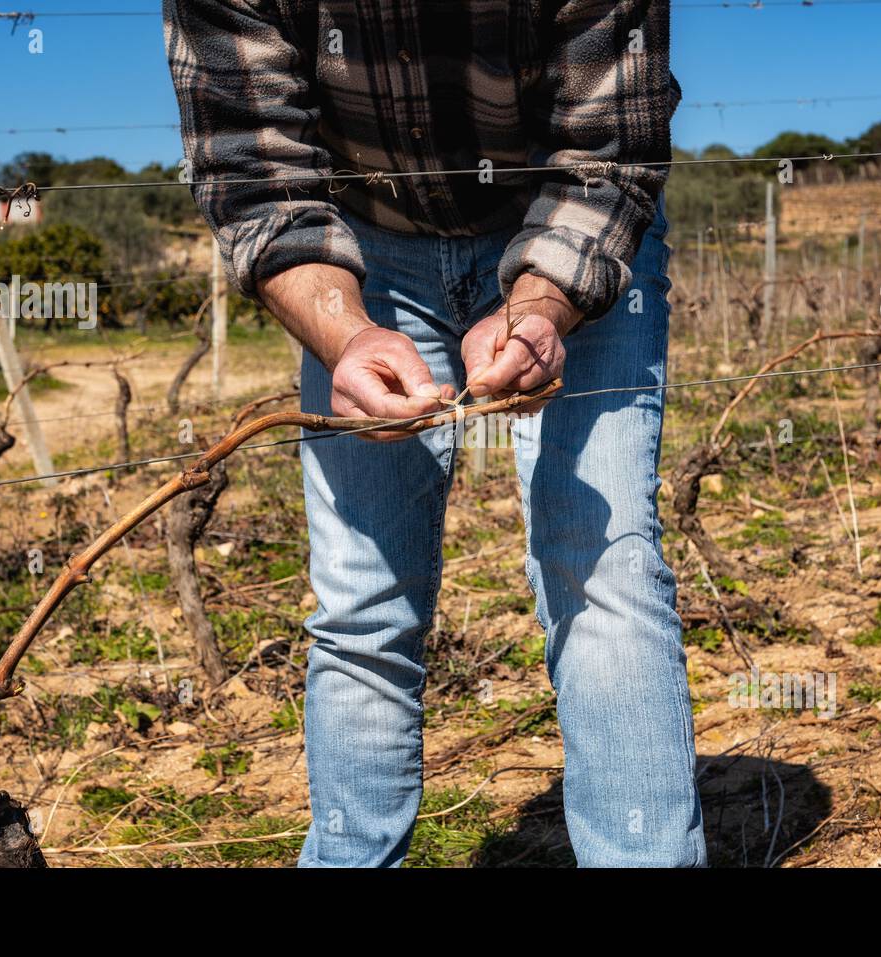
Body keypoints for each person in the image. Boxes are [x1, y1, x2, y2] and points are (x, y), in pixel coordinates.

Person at [164, 0, 705, 867]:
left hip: (570, 221)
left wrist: (538, 306)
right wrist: (346, 332)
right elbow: (252, 165)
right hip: (360, 245)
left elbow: (607, 151)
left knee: (601, 564)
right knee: (361, 599)